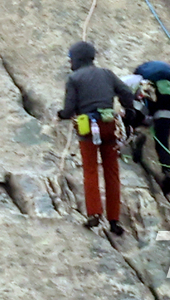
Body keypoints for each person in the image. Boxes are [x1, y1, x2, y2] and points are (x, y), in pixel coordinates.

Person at [57, 40, 136, 235]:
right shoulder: (106, 74)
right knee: (112, 173)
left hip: (88, 128)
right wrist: (129, 110)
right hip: (109, 125)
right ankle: (114, 220)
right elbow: (126, 92)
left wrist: (61, 114)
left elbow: (69, 110)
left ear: (76, 59)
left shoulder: (74, 78)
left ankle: (94, 214)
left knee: (90, 171)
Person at [122, 58, 170, 195]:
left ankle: (133, 135)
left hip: (141, 109)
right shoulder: (169, 90)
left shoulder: (135, 79)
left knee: (127, 118)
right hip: (165, 112)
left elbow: (117, 88)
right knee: (163, 141)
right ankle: (167, 171)